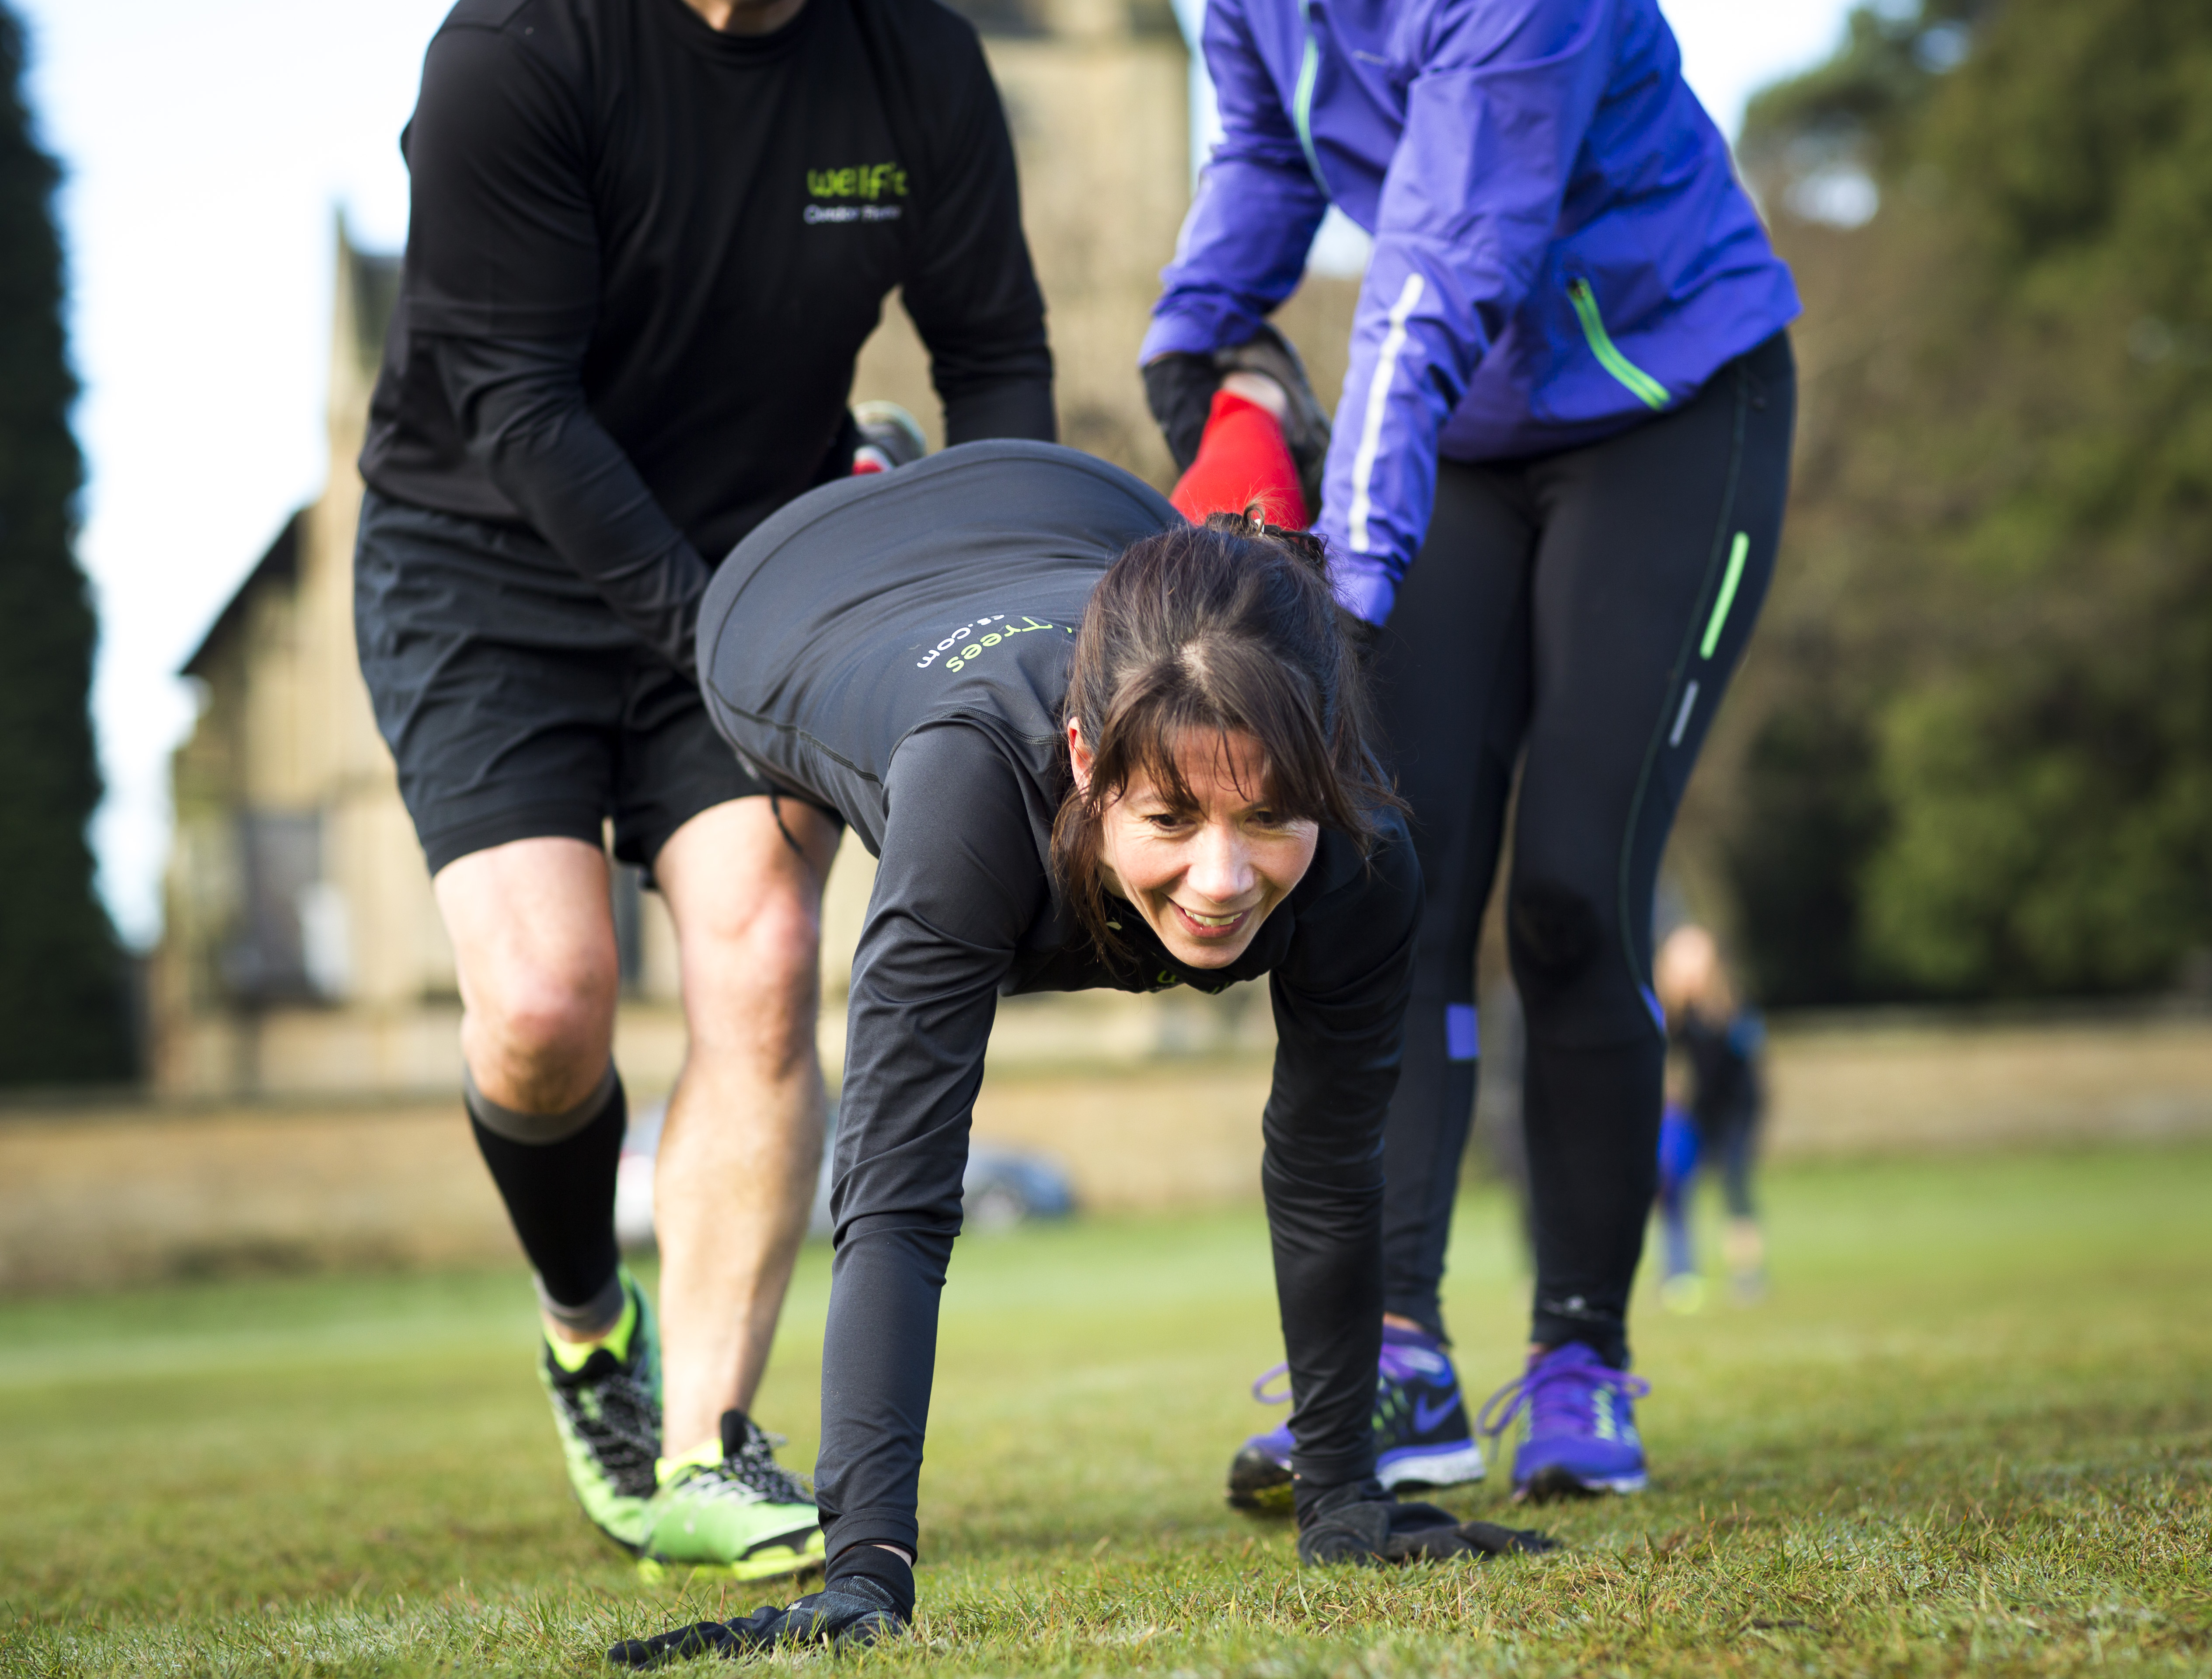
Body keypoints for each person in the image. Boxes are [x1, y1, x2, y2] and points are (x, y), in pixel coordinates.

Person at [606, 440, 1556, 1665]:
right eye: (1170, 821)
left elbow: (1326, 1165)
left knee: (1216, 711)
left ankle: (901, 457)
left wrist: (1343, 1498)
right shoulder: (970, 795)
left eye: (1269, 818)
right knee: (762, 920)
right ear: (1084, 764)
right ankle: (865, 468)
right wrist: (866, 1572)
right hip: (797, 584)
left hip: (1073, 508)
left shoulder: (1362, 855)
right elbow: (895, 1197)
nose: (1222, 885)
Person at [351, 0, 1055, 1580]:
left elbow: (993, 348)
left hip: (765, 553)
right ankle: (590, 1328)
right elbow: (516, 401)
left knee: (757, 957)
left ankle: (702, 1450)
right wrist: (715, 634)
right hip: (485, 565)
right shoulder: (518, 52)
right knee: (543, 1008)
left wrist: (1024, 607)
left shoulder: (914, 60)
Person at [1140, 0, 1800, 1504]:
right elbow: (1259, 149)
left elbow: (1436, 271)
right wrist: (1185, 346)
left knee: (1569, 891)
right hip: (1461, 434)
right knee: (1392, 879)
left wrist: (1347, 592)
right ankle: (1397, 1359)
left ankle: (1580, 1359)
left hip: (1665, 403)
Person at [1653, 924, 1768, 1310]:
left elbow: (1745, 1057)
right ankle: (1679, 1271)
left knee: (1736, 1187)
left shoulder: (1730, 1008)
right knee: (1672, 1186)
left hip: (1736, 1112)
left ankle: (1747, 1275)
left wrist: (1707, 1012)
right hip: (1696, 1113)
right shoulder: (1672, 1014)